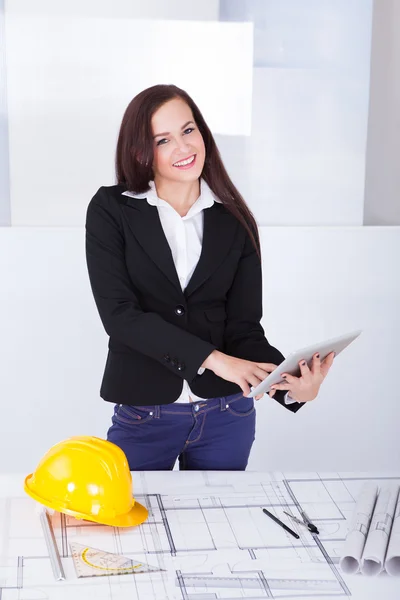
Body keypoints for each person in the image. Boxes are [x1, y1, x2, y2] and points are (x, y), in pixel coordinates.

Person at [85, 84, 334, 471]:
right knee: (130, 528)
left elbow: (244, 329)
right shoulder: (111, 210)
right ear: (140, 151)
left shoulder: (234, 220)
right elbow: (120, 317)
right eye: (163, 140)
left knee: (220, 529)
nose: (183, 148)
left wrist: (296, 389)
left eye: (188, 131)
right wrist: (214, 360)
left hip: (227, 418)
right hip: (145, 417)